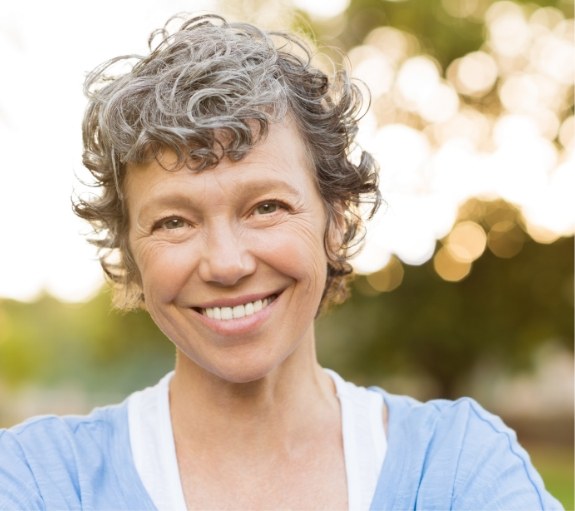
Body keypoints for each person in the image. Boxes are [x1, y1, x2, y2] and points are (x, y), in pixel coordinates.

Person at [0, 13, 564, 511]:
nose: (226, 263)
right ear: (129, 253)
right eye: (174, 221)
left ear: (336, 220)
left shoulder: (461, 467)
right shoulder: (40, 481)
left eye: (266, 207)